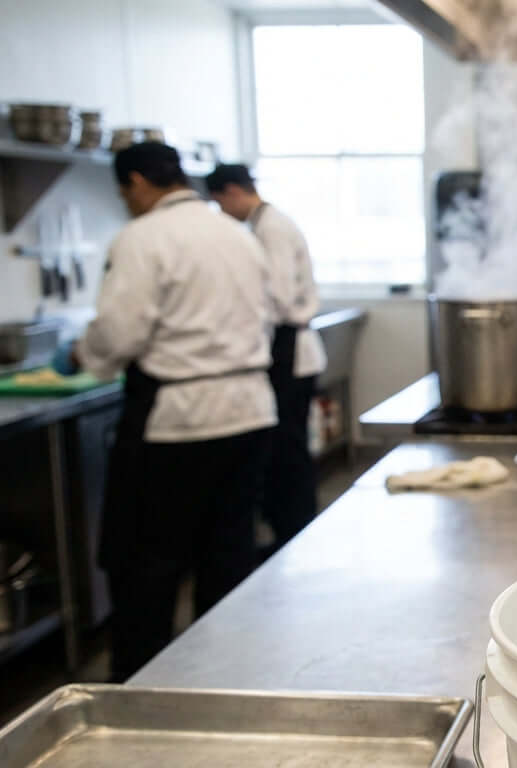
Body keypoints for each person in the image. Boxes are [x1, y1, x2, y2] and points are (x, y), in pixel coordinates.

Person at [71, 143, 276, 680]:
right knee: (228, 557)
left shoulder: (142, 238)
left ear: (138, 182)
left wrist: (83, 355)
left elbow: (121, 331)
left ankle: (143, 691)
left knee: (148, 566)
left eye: (124, 192)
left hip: (179, 421)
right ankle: (228, 677)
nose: (126, 202)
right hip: (250, 412)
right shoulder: (237, 236)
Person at [206, 164, 326, 549]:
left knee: (286, 452)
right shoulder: (266, 223)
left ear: (233, 192)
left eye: (220, 202)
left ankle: (294, 533)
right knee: (285, 450)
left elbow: (276, 296)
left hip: (289, 348)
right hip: (287, 346)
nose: (222, 212)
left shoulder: (270, 227)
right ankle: (291, 528)